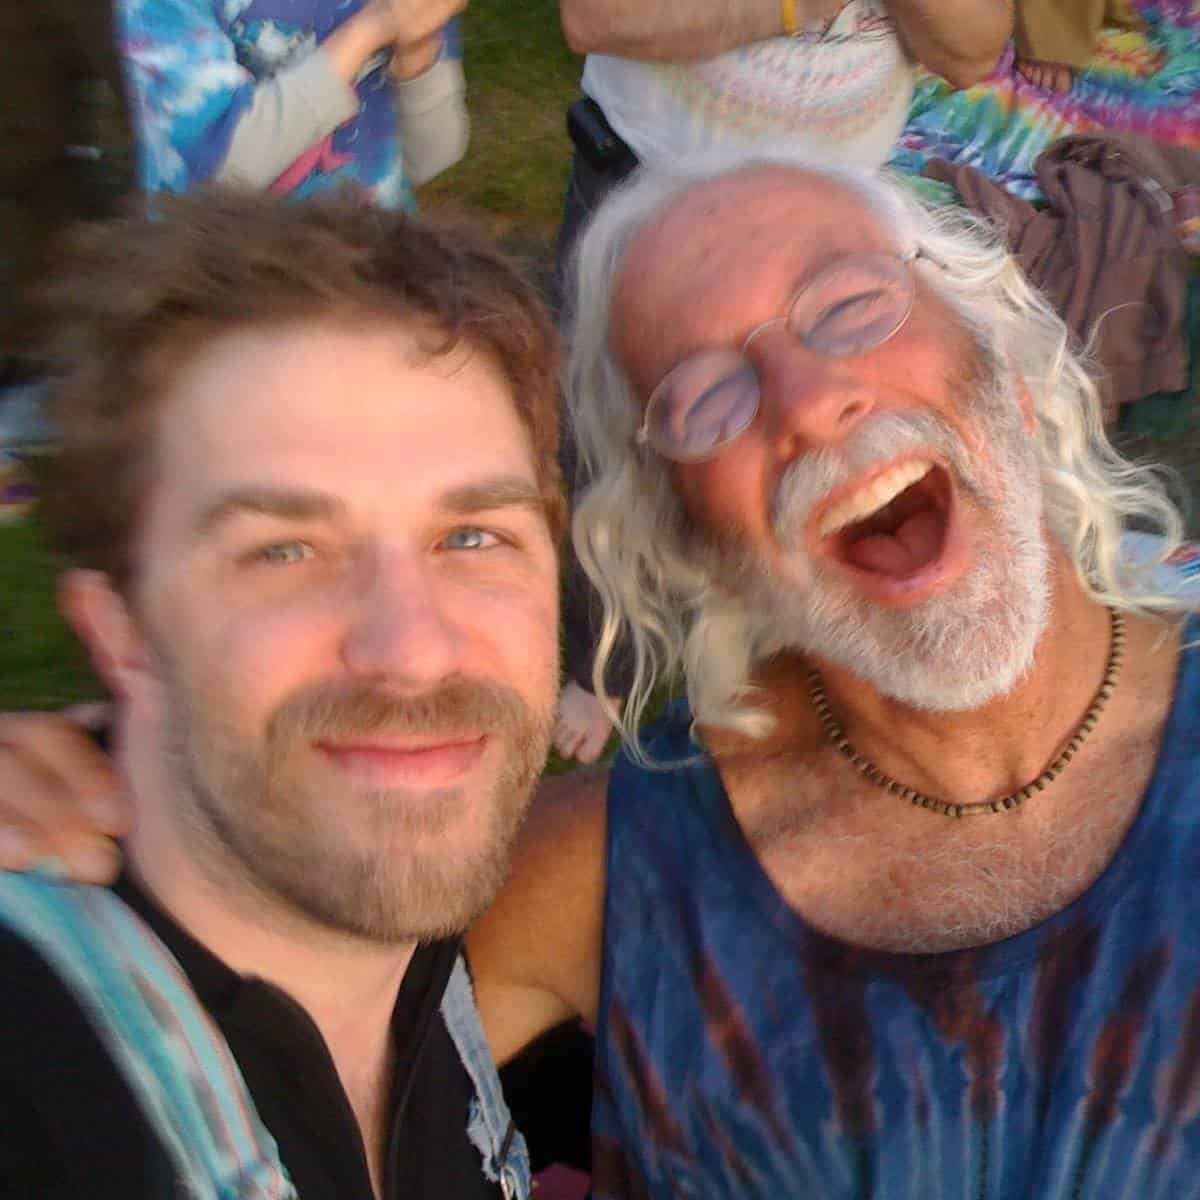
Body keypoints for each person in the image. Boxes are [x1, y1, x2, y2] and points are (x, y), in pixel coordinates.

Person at [5, 155, 1200, 1197]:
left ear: (1005, 353)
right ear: (689, 535)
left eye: (849, 304)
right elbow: (262, 914)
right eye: (705, 396)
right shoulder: (610, 875)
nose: (809, 404)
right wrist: (116, 755)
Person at [0, 187, 566, 1198]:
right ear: (120, 631)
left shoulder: (408, 947)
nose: (414, 651)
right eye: (285, 551)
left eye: (471, 536)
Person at [550, 0, 1015, 762]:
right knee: (612, 458)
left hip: (832, 223)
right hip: (644, 194)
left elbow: (971, 51)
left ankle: (807, 679)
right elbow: (599, 19)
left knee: (826, 471)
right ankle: (604, 667)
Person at [119, 0, 468, 206]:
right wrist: (371, 30)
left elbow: (430, 159)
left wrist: (418, 54)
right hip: (229, 285)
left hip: (372, 274)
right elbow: (218, 170)